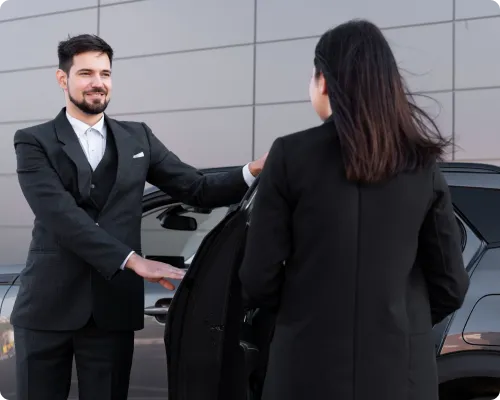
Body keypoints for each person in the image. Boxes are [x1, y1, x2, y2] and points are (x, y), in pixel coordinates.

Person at [12, 34, 266, 400]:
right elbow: (60, 215)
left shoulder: (138, 138)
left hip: (112, 309)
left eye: (105, 73)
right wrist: (132, 261)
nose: (98, 82)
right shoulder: (33, 141)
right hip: (47, 307)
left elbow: (196, 188)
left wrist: (252, 172)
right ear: (62, 79)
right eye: (86, 73)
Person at [239, 19, 470, 400]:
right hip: (402, 375)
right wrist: (399, 321)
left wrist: (302, 315)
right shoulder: (422, 165)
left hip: (305, 369)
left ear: (324, 81)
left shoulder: (289, 156)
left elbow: (258, 276)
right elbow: (450, 285)